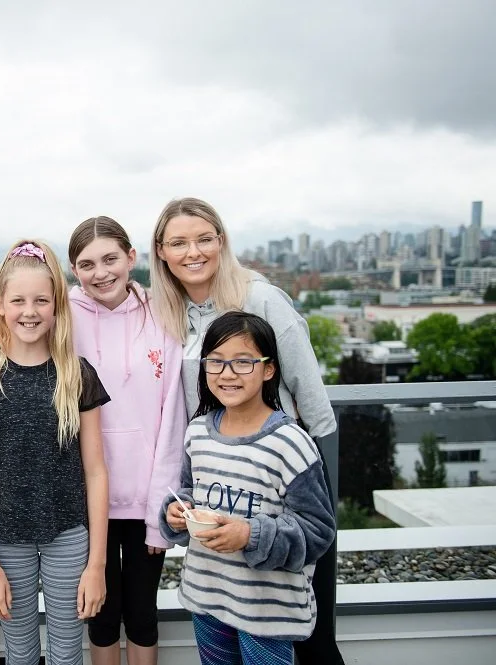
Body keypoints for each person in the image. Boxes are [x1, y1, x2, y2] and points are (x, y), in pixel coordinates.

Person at [150, 197, 342, 665]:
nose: (192, 251)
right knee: (225, 617)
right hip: (218, 481)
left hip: (279, 475)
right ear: (161, 252)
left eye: (203, 239)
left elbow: (311, 396)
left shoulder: (260, 299)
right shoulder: (169, 313)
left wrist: (315, 469)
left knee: (303, 633)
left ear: (221, 241)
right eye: (178, 242)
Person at [0, 239, 110, 665]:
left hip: (68, 536)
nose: (30, 311)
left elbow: (95, 472)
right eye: (18, 300)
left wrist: (96, 566)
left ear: (57, 305)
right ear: (0, 303)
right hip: (5, 542)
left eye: (41, 300)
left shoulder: (77, 374)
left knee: (66, 651)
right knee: (19, 651)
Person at [162, 311, 336, 665]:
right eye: (216, 362)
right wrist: (177, 512)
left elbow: (318, 531)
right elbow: (191, 492)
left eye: (243, 362)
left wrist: (250, 535)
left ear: (269, 369)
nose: (227, 373)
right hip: (207, 593)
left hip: (268, 610)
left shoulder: (291, 443)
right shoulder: (198, 432)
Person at [67, 217, 186, 665]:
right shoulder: (65, 318)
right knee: (100, 613)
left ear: (132, 257)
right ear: (74, 270)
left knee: (141, 613)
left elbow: (171, 417)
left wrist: (161, 512)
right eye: (87, 264)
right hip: (86, 501)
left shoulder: (163, 314)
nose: (101, 272)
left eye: (110, 259)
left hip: (144, 502)